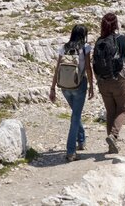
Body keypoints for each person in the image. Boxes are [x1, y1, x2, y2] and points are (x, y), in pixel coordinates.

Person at [92, 13, 125, 154]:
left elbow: (94, 63)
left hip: (102, 81)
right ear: (116, 24)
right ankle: (113, 136)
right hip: (119, 79)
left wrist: (98, 82)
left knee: (110, 112)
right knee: (123, 109)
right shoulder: (121, 39)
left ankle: (111, 146)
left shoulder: (99, 41)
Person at [49, 25, 94, 162]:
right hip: (79, 85)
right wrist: (92, 85)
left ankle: (81, 140)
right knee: (75, 116)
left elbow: (57, 68)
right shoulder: (85, 47)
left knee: (76, 113)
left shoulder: (64, 47)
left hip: (64, 86)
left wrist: (53, 87)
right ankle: (70, 151)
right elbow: (87, 67)